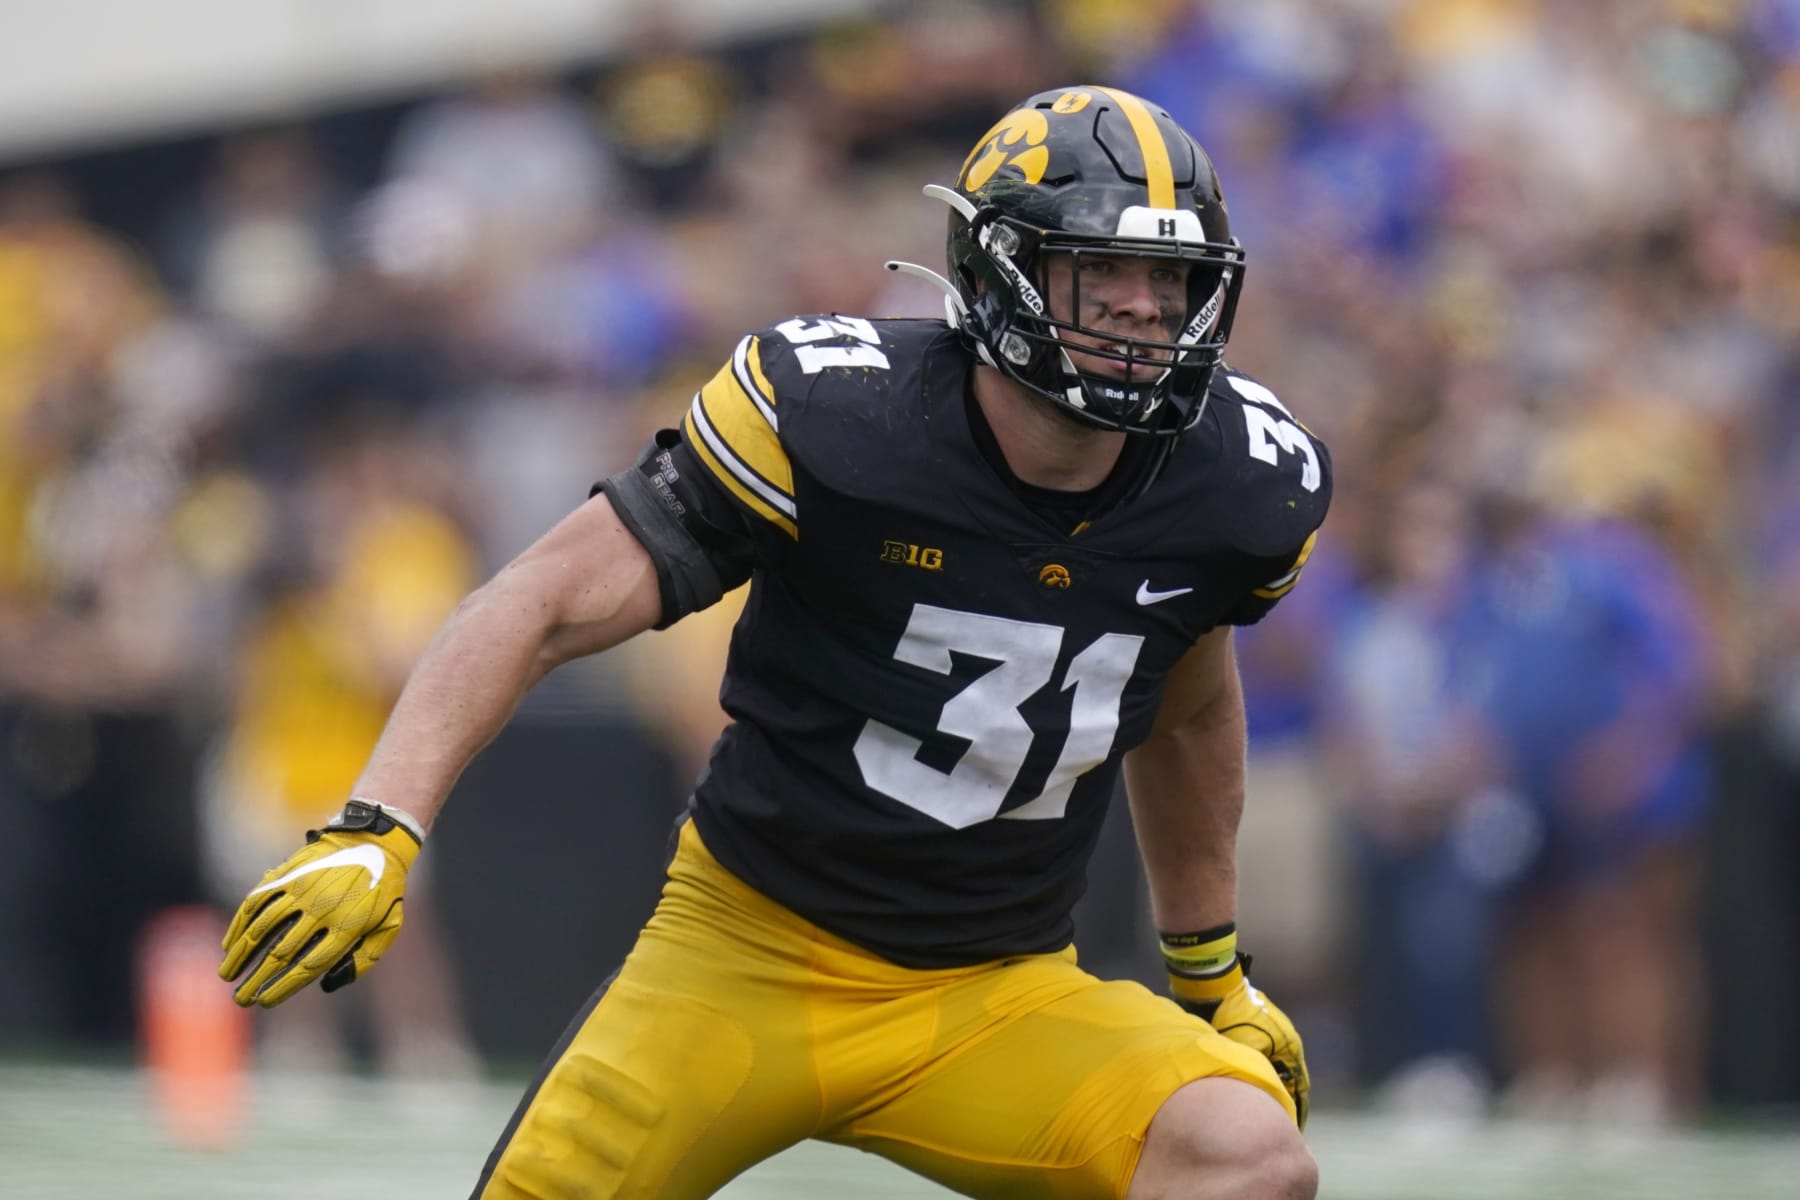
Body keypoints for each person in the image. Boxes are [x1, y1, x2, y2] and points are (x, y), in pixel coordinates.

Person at [218, 86, 1331, 1200]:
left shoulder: (1237, 481)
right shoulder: (840, 417)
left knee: (1246, 1155)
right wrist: (379, 824)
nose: (1144, 308)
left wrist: (1209, 974)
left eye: (1171, 277)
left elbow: (1184, 704)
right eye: (1102, 271)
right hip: (745, 954)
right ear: (1001, 271)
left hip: (1000, 990)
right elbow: (545, 599)